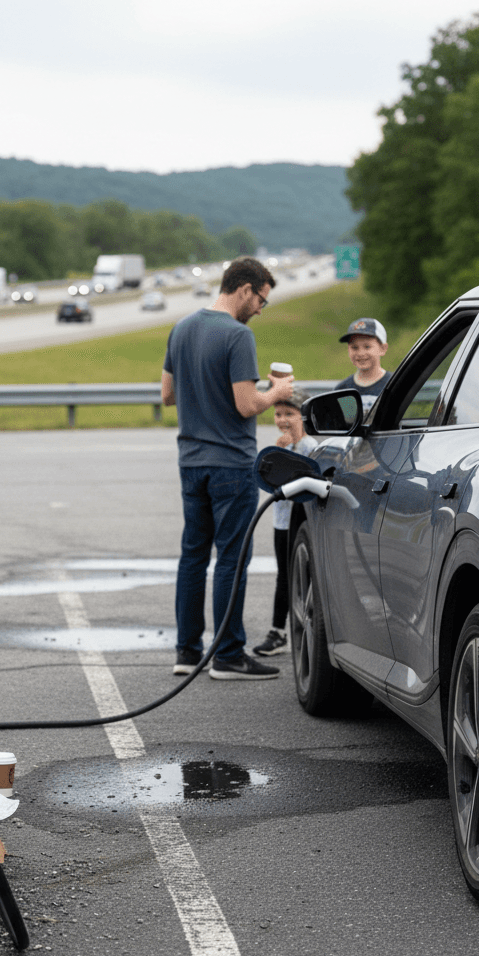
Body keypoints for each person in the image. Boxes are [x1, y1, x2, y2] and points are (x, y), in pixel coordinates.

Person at [161, 257, 294, 680]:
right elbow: (246, 404)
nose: (260, 309)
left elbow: (167, 395)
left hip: (190, 461)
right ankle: (228, 655)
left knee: (193, 556)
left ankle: (187, 651)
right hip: (230, 465)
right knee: (231, 559)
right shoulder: (238, 336)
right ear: (245, 289)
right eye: (261, 300)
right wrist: (277, 392)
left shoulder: (181, 328)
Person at [253, 388, 317, 656]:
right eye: (278, 414)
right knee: (284, 576)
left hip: (303, 524)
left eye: (289, 413)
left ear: (303, 415)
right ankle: (278, 632)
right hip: (282, 522)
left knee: (306, 575)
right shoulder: (281, 448)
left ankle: (309, 627)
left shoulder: (311, 448)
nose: (282, 420)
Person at [335, 317, 391, 415]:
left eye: (367, 346)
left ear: (383, 348)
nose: (360, 353)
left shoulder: (393, 384)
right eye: (354, 347)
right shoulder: (342, 390)